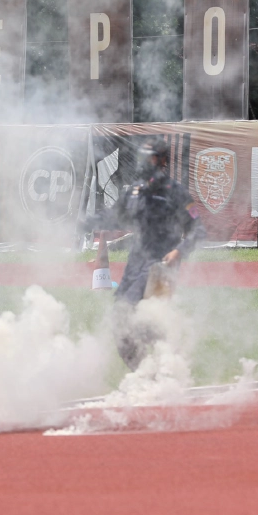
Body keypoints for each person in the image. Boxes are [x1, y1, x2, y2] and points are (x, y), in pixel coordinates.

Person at [88, 137, 205, 369]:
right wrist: (85, 223)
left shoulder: (176, 193)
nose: (144, 163)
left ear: (162, 160)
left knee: (144, 324)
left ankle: (167, 368)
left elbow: (198, 230)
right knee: (119, 325)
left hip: (160, 266)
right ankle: (144, 373)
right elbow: (113, 217)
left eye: (150, 157)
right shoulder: (134, 192)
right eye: (142, 157)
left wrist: (178, 252)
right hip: (135, 266)